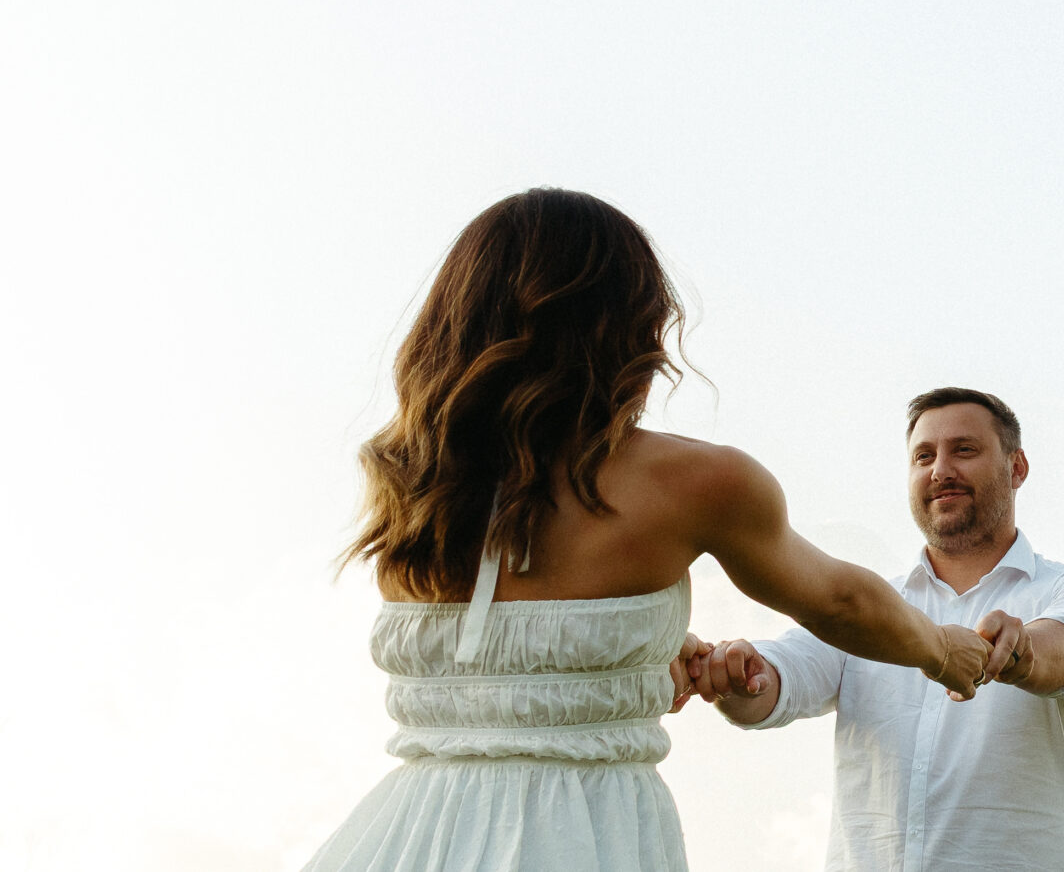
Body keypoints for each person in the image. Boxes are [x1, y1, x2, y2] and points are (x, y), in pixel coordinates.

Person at [302, 189, 993, 872]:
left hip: (410, 834)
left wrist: (633, 653)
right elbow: (839, 600)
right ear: (625, 322)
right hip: (584, 836)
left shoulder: (412, 489)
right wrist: (939, 649)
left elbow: (500, 663)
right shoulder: (693, 481)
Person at [689, 387, 1064, 872]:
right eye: (924, 456)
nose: (940, 470)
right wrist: (738, 675)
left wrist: (1019, 646)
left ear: (1017, 467)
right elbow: (779, 680)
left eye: (964, 449)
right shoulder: (872, 609)